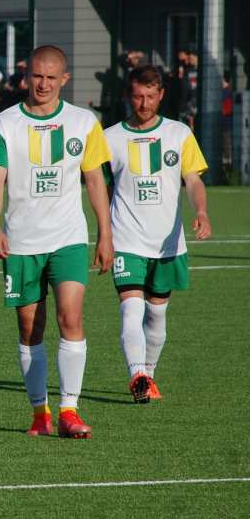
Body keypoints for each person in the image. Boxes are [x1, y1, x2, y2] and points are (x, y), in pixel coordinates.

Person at [0, 45, 113, 440]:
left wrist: (106, 234)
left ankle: (69, 410)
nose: (42, 84)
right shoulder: (4, 124)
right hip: (22, 241)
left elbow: (95, 180)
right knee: (29, 328)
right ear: (27, 76)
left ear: (64, 80)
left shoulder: (84, 122)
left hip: (68, 237)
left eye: (50, 77)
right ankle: (39, 411)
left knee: (70, 318)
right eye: (36, 76)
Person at [103, 65, 211, 403]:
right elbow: (100, 187)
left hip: (167, 241)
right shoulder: (109, 139)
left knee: (157, 313)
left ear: (161, 95)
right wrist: (103, 232)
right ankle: (136, 372)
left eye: (151, 96)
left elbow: (192, 180)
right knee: (131, 310)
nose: (144, 103)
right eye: (138, 96)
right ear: (128, 96)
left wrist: (202, 211)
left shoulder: (179, 134)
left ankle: (148, 375)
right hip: (126, 239)